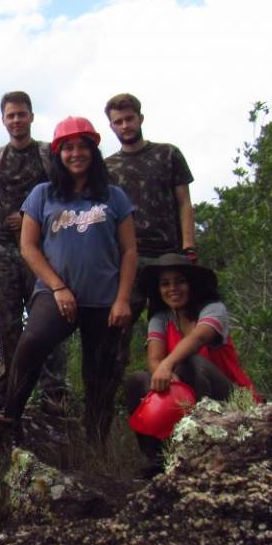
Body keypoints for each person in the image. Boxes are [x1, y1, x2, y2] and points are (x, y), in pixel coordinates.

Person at [2, 116, 137, 448]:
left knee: (101, 372)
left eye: (82, 147)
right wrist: (58, 287)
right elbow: (28, 247)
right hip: (54, 293)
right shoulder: (43, 194)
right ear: (58, 154)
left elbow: (130, 250)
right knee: (31, 344)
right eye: (68, 148)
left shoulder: (114, 196)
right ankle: (8, 423)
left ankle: (95, 446)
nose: (76, 154)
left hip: (104, 298)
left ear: (93, 151)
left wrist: (123, 299)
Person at [124, 254, 259, 475]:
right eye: (165, 284)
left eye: (180, 281)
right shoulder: (161, 318)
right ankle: (159, 460)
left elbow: (198, 338)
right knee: (138, 381)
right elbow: (154, 358)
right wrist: (164, 373)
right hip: (185, 394)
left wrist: (168, 365)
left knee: (190, 363)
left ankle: (199, 453)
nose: (172, 289)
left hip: (231, 401)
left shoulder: (213, 309)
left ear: (192, 284)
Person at [0, 91, 68, 413]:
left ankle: (54, 390)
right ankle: (12, 388)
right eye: (10, 115)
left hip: (43, 251)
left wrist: (32, 219)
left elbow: (62, 199)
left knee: (47, 319)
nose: (16, 120)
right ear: (3, 120)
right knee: (7, 323)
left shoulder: (48, 155)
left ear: (31, 116)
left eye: (21, 114)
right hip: (3, 249)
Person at [104, 93, 196, 374]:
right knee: (116, 331)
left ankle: (184, 390)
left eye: (129, 119)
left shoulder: (168, 154)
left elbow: (184, 202)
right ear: (111, 126)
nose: (125, 126)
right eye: (118, 121)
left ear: (140, 118)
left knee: (175, 328)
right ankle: (112, 393)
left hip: (169, 255)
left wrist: (189, 247)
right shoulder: (107, 168)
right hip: (128, 260)